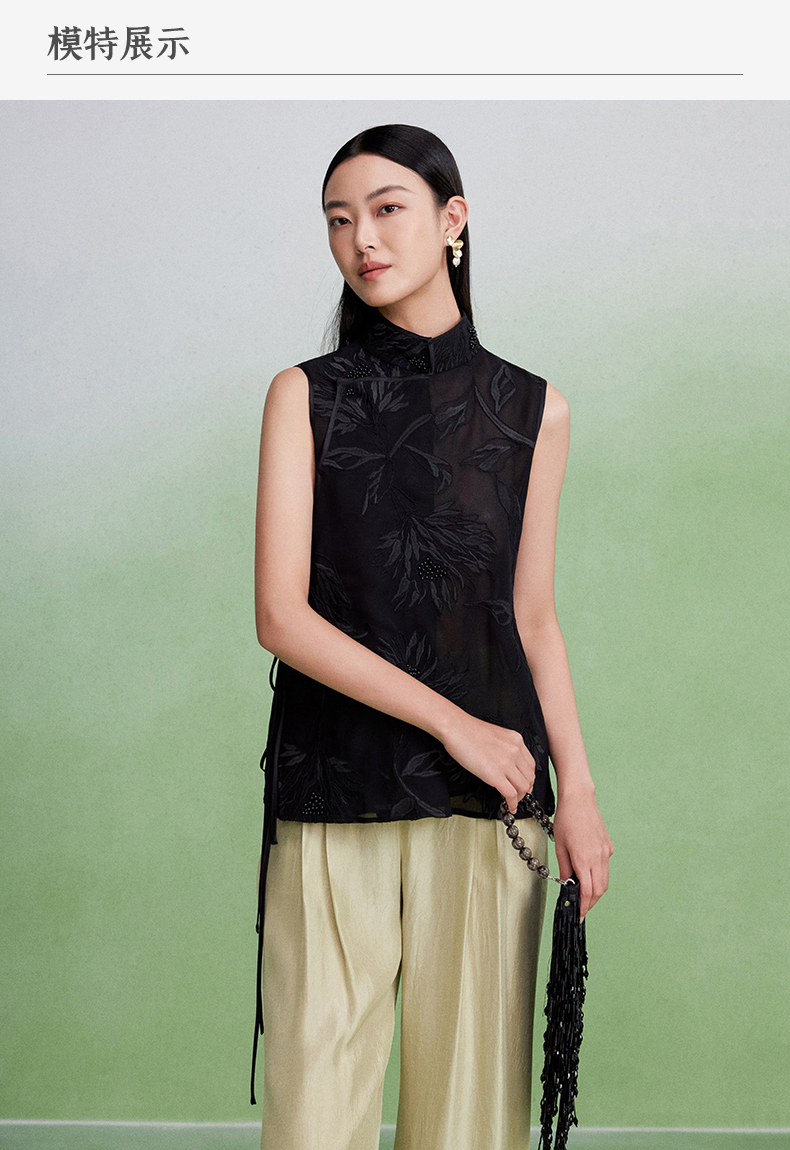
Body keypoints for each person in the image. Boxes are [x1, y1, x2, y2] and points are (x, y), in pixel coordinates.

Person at [251, 124, 613, 1150]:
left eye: (386, 209)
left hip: (495, 801)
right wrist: (455, 724)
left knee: (470, 1122)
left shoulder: (534, 409)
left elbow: (531, 617)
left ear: (453, 221)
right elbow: (281, 615)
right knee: (313, 1112)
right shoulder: (303, 396)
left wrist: (580, 793)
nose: (361, 239)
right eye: (338, 220)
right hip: (337, 785)